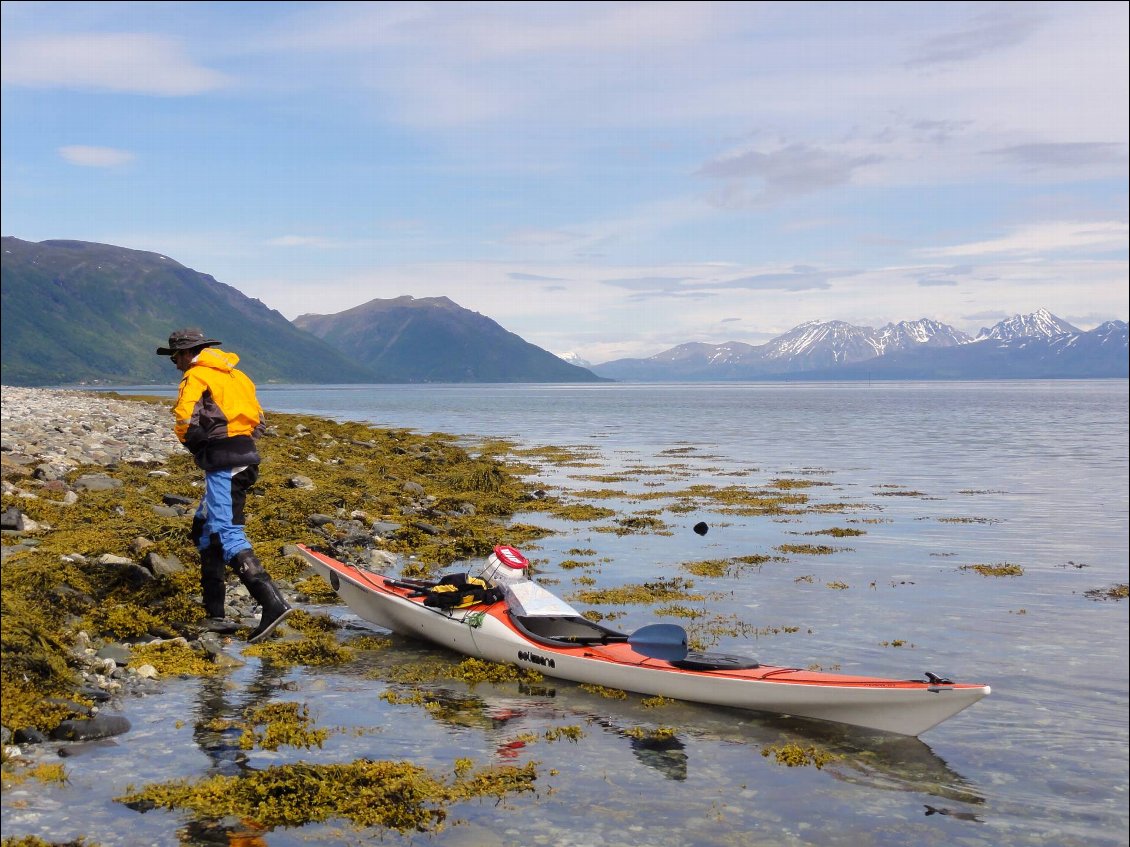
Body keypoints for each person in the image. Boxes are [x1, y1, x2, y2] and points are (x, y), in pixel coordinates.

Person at [156, 327, 292, 643]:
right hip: (245, 458)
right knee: (204, 528)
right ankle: (215, 616)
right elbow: (258, 418)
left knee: (228, 532)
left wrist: (201, 447)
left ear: (188, 353)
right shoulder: (237, 376)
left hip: (224, 465)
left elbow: (184, 419)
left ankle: (272, 603)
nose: (175, 363)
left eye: (175, 356)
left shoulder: (196, 376)